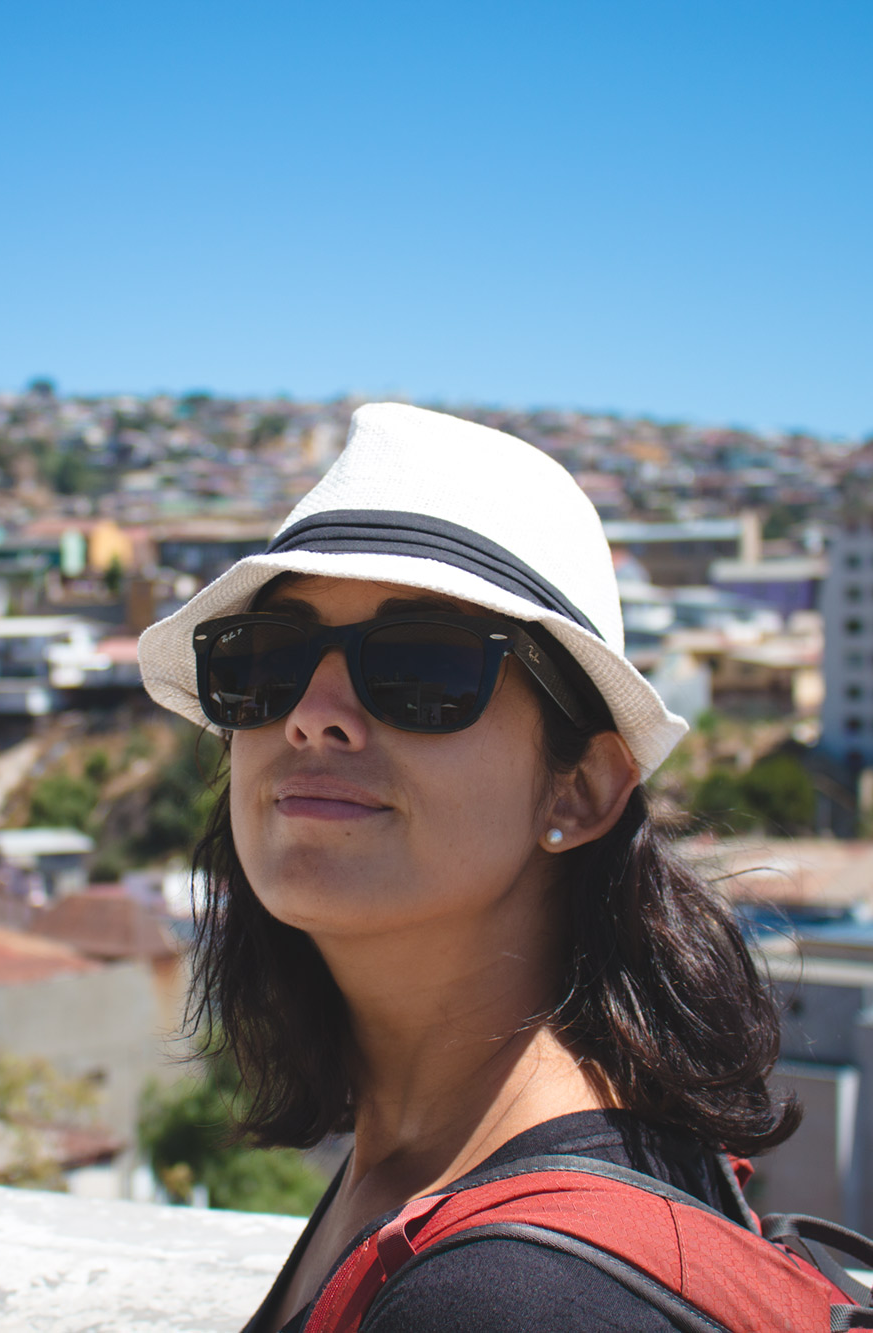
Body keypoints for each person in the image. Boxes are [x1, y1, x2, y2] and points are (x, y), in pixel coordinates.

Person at [137, 404, 800, 1332]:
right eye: (267, 661)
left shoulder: (510, 1296)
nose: (313, 714)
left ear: (579, 790)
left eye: (422, 670)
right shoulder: (424, 1167)